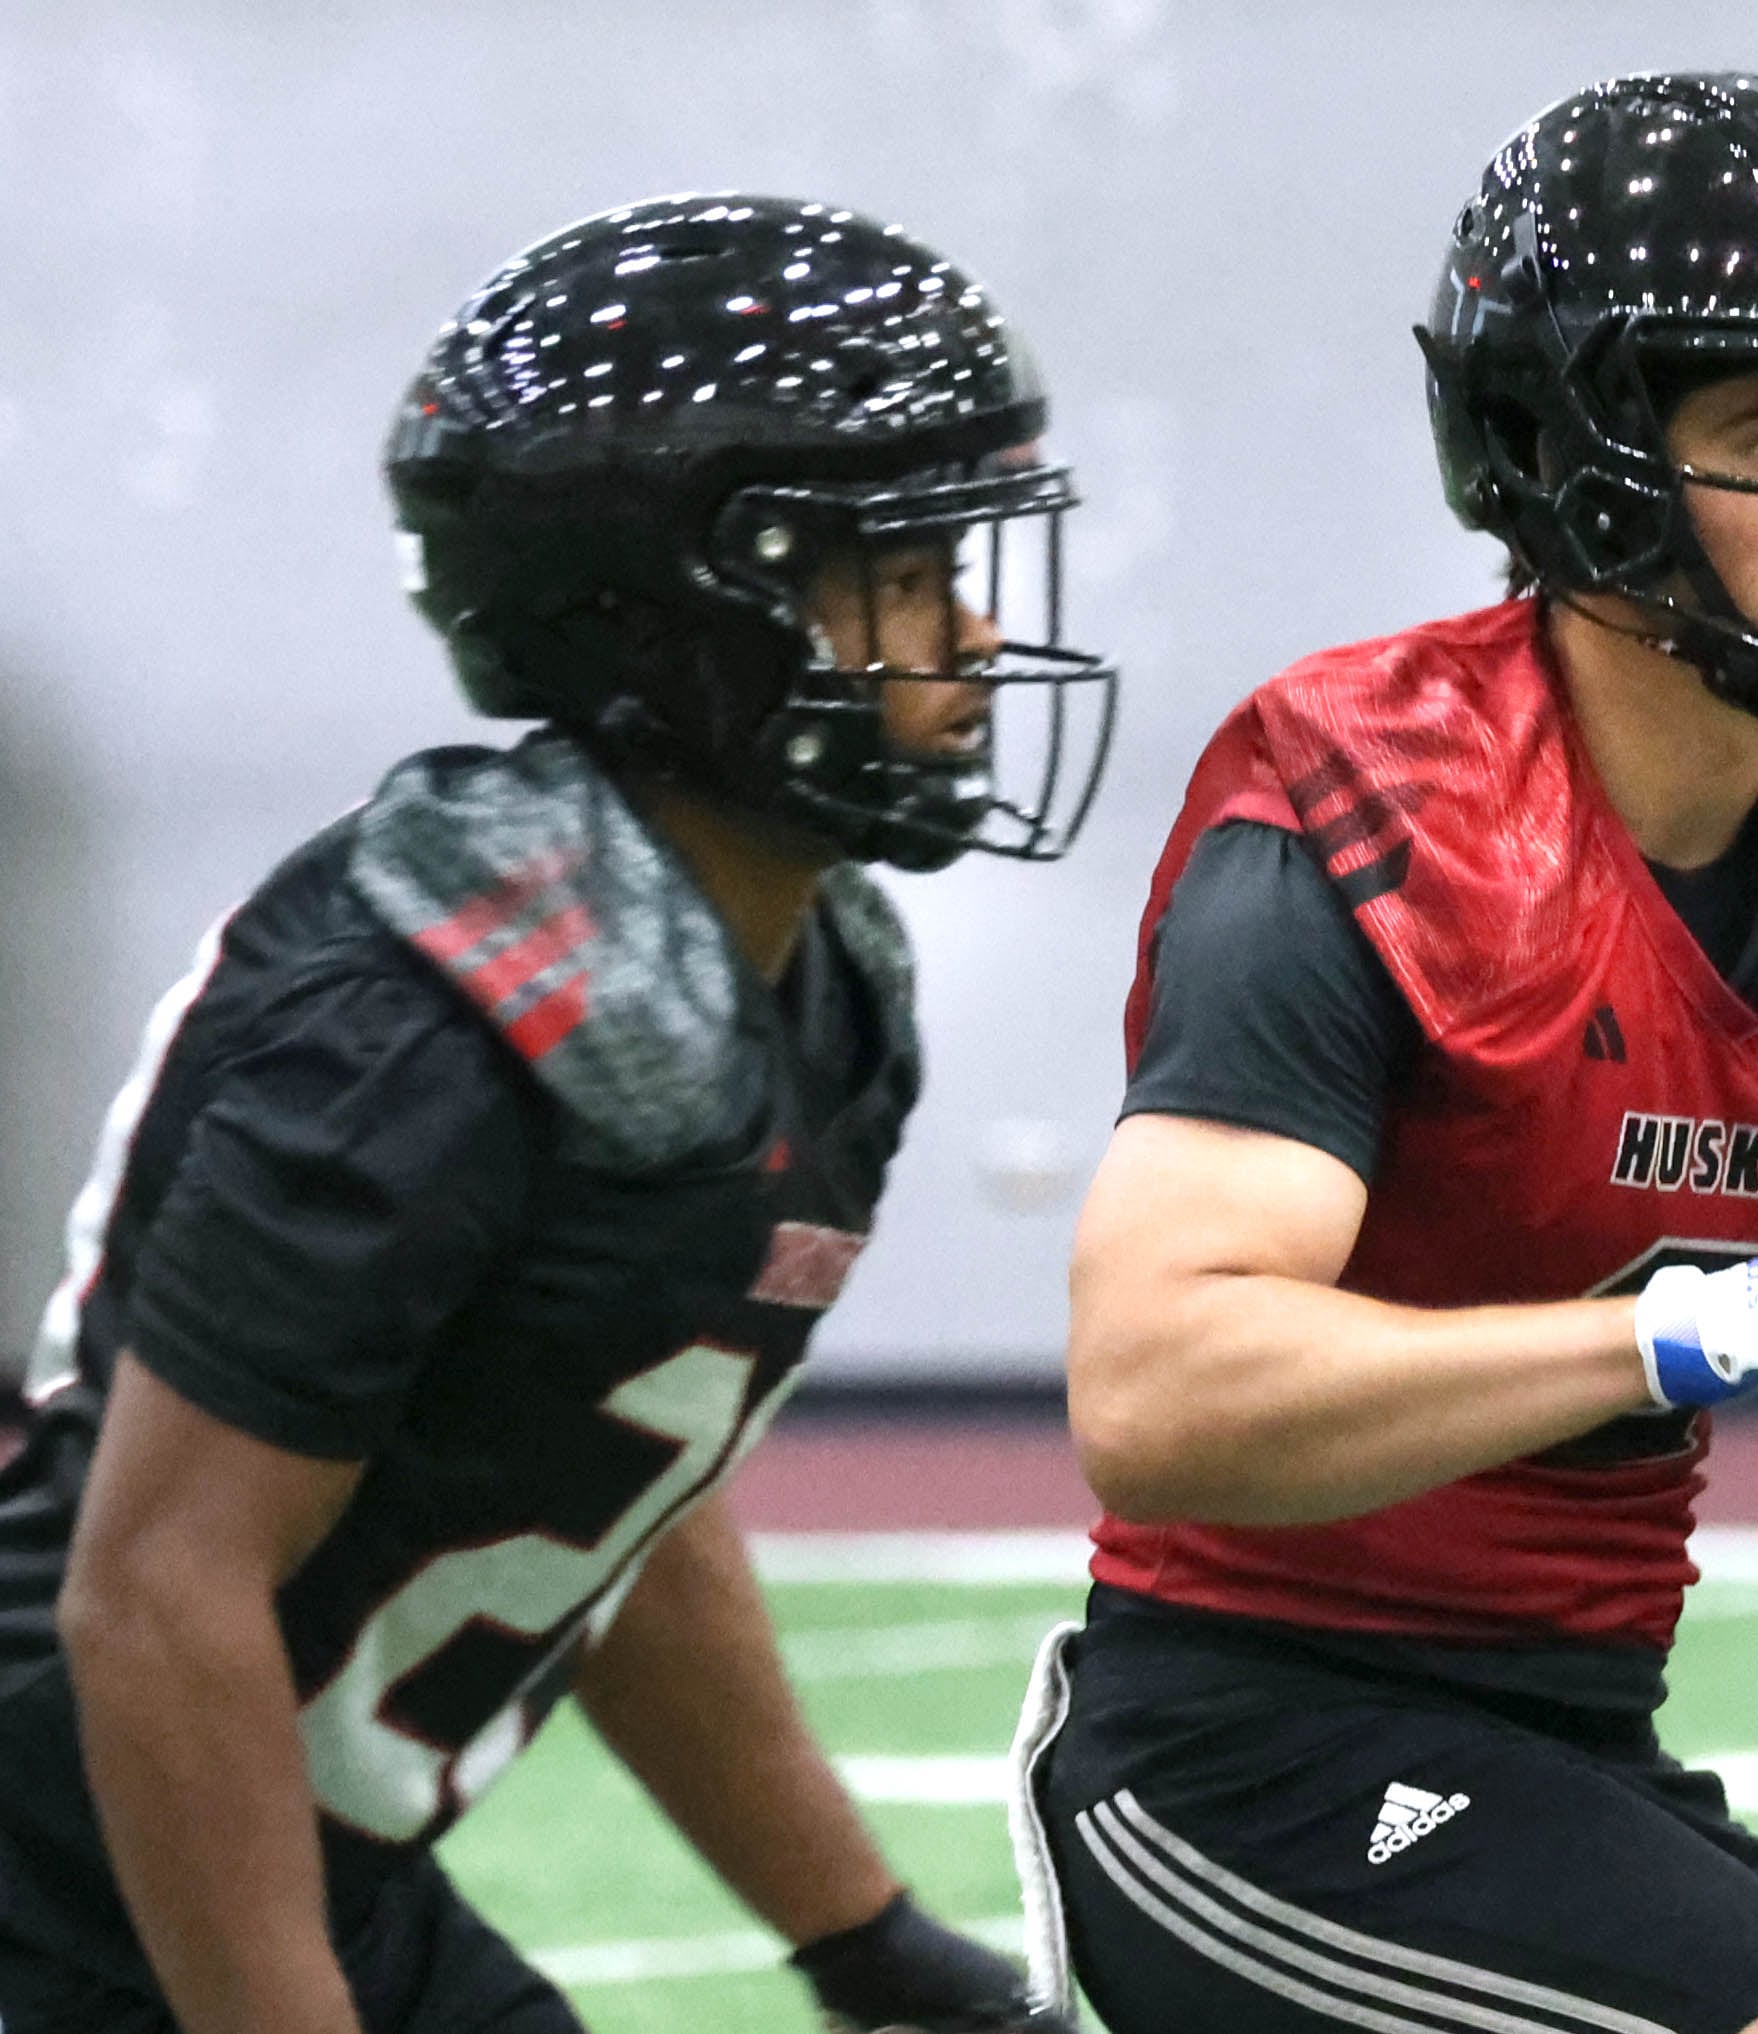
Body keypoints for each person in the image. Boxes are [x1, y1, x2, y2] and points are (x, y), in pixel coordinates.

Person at [1023, 74, 1758, 2034]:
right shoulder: (1364, 802)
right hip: (1252, 1749)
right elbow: (1155, 1388)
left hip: (1574, 1736)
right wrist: (1683, 1335)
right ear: (1571, 456)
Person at [0, 194, 1110, 2034]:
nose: (971, 636)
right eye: (897, 575)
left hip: (274, 1863)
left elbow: (611, 1474)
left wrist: (863, 1944)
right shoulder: (425, 1023)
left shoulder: (811, 986)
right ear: (693, 615)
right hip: (65, 1876)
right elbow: (160, 1591)